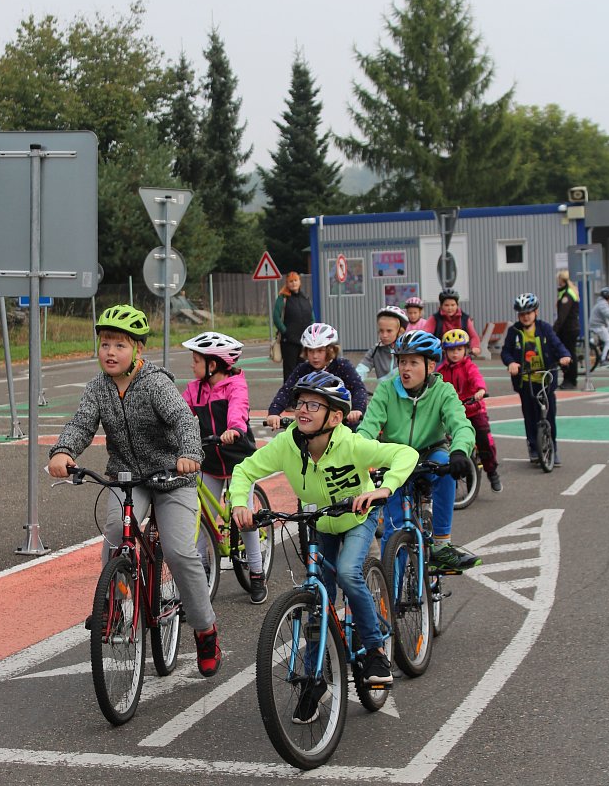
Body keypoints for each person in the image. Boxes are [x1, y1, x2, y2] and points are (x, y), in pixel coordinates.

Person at [48, 304, 222, 677]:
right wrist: (63, 451)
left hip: (172, 476)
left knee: (179, 551)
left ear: (137, 350)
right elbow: (81, 423)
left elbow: (183, 420)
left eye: (120, 345)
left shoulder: (156, 384)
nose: (110, 352)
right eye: (105, 344)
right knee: (115, 531)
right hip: (127, 476)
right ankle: (115, 606)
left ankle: (205, 629)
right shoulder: (98, 388)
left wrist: (190, 455)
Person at [230, 371, 417, 713]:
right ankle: (315, 674)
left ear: (335, 417)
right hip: (319, 521)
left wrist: (385, 488)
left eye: (314, 405)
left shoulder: (352, 444)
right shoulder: (287, 444)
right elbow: (244, 470)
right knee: (318, 595)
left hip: (357, 518)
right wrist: (240, 503)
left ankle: (375, 651)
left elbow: (405, 454)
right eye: (300, 402)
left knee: (347, 573)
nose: (302, 409)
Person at [357, 330, 482, 573]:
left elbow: (461, 425)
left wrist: (459, 451)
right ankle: (391, 590)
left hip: (430, 453)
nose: (405, 368)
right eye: (402, 361)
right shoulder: (386, 390)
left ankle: (441, 546)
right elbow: (368, 427)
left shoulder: (443, 391)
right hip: (395, 458)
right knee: (393, 532)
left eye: (413, 362)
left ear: (430, 365)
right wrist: (357, 452)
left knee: (445, 464)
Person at [180, 331, 267, 605]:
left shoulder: (235, 385)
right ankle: (203, 572)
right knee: (199, 515)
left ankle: (256, 572)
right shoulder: (194, 389)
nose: (192, 365)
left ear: (213, 364)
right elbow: (179, 414)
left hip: (240, 460)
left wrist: (234, 429)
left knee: (244, 516)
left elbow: (238, 410)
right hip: (210, 460)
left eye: (196, 361)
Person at [500, 294, 572, 466]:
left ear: (536, 312)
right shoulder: (514, 331)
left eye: (529, 313)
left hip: (545, 379)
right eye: (522, 314)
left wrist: (564, 356)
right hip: (526, 381)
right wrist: (511, 363)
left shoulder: (544, 328)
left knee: (549, 415)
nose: (525, 317)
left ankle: (552, 448)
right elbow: (506, 351)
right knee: (530, 415)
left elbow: (557, 345)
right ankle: (533, 446)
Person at [266, 322, 368, 429]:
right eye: (310, 351)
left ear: (331, 350)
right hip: (313, 424)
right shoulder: (303, 369)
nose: (315, 356)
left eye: (320, 351)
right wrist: (274, 412)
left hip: (343, 423)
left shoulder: (342, 366)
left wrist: (357, 409)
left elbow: (359, 389)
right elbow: (286, 391)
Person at [437, 328, 502, 492]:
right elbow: (435, 386)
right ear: (445, 352)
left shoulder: (468, 366)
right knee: (447, 443)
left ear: (465, 350)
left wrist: (480, 390)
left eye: (459, 349)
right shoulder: (441, 371)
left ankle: (492, 472)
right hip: (454, 414)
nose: (455, 353)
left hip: (474, 410)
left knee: (484, 441)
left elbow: (476, 378)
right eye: (451, 350)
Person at [273, 272, 313, 381]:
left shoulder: (305, 297)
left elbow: (312, 316)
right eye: (291, 281)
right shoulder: (283, 298)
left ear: (300, 282)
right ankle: (289, 391)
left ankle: (301, 390)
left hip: (304, 341)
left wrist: (311, 331)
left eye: (295, 280)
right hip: (289, 342)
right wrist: (285, 332)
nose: (293, 283)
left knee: (303, 370)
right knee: (290, 371)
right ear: (287, 283)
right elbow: (276, 318)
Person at [355, 306, 409, 386]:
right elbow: (361, 370)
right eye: (381, 330)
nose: (384, 335)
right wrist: (352, 382)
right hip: (384, 392)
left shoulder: (408, 350)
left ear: (400, 331)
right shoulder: (375, 350)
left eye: (389, 331)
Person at [422, 288, 482, 356]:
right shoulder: (435, 318)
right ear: (441, 306)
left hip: (461, 354)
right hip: (441, 354)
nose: (450, 308)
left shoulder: (464, 319)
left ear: (457, 305)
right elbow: (425, 335)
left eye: (453, 305)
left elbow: (473, 336)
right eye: (446, 305)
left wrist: (475, 347)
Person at [554, 271, 580, 389]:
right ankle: (568, 379)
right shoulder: (566, 292)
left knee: (568, 355)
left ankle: (570, 380)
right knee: (566, 354)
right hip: (569, 328)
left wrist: (553, 330)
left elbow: (562, 316)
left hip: (568, 329)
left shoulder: (567, 294)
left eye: (558, 279)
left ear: (562, 280)